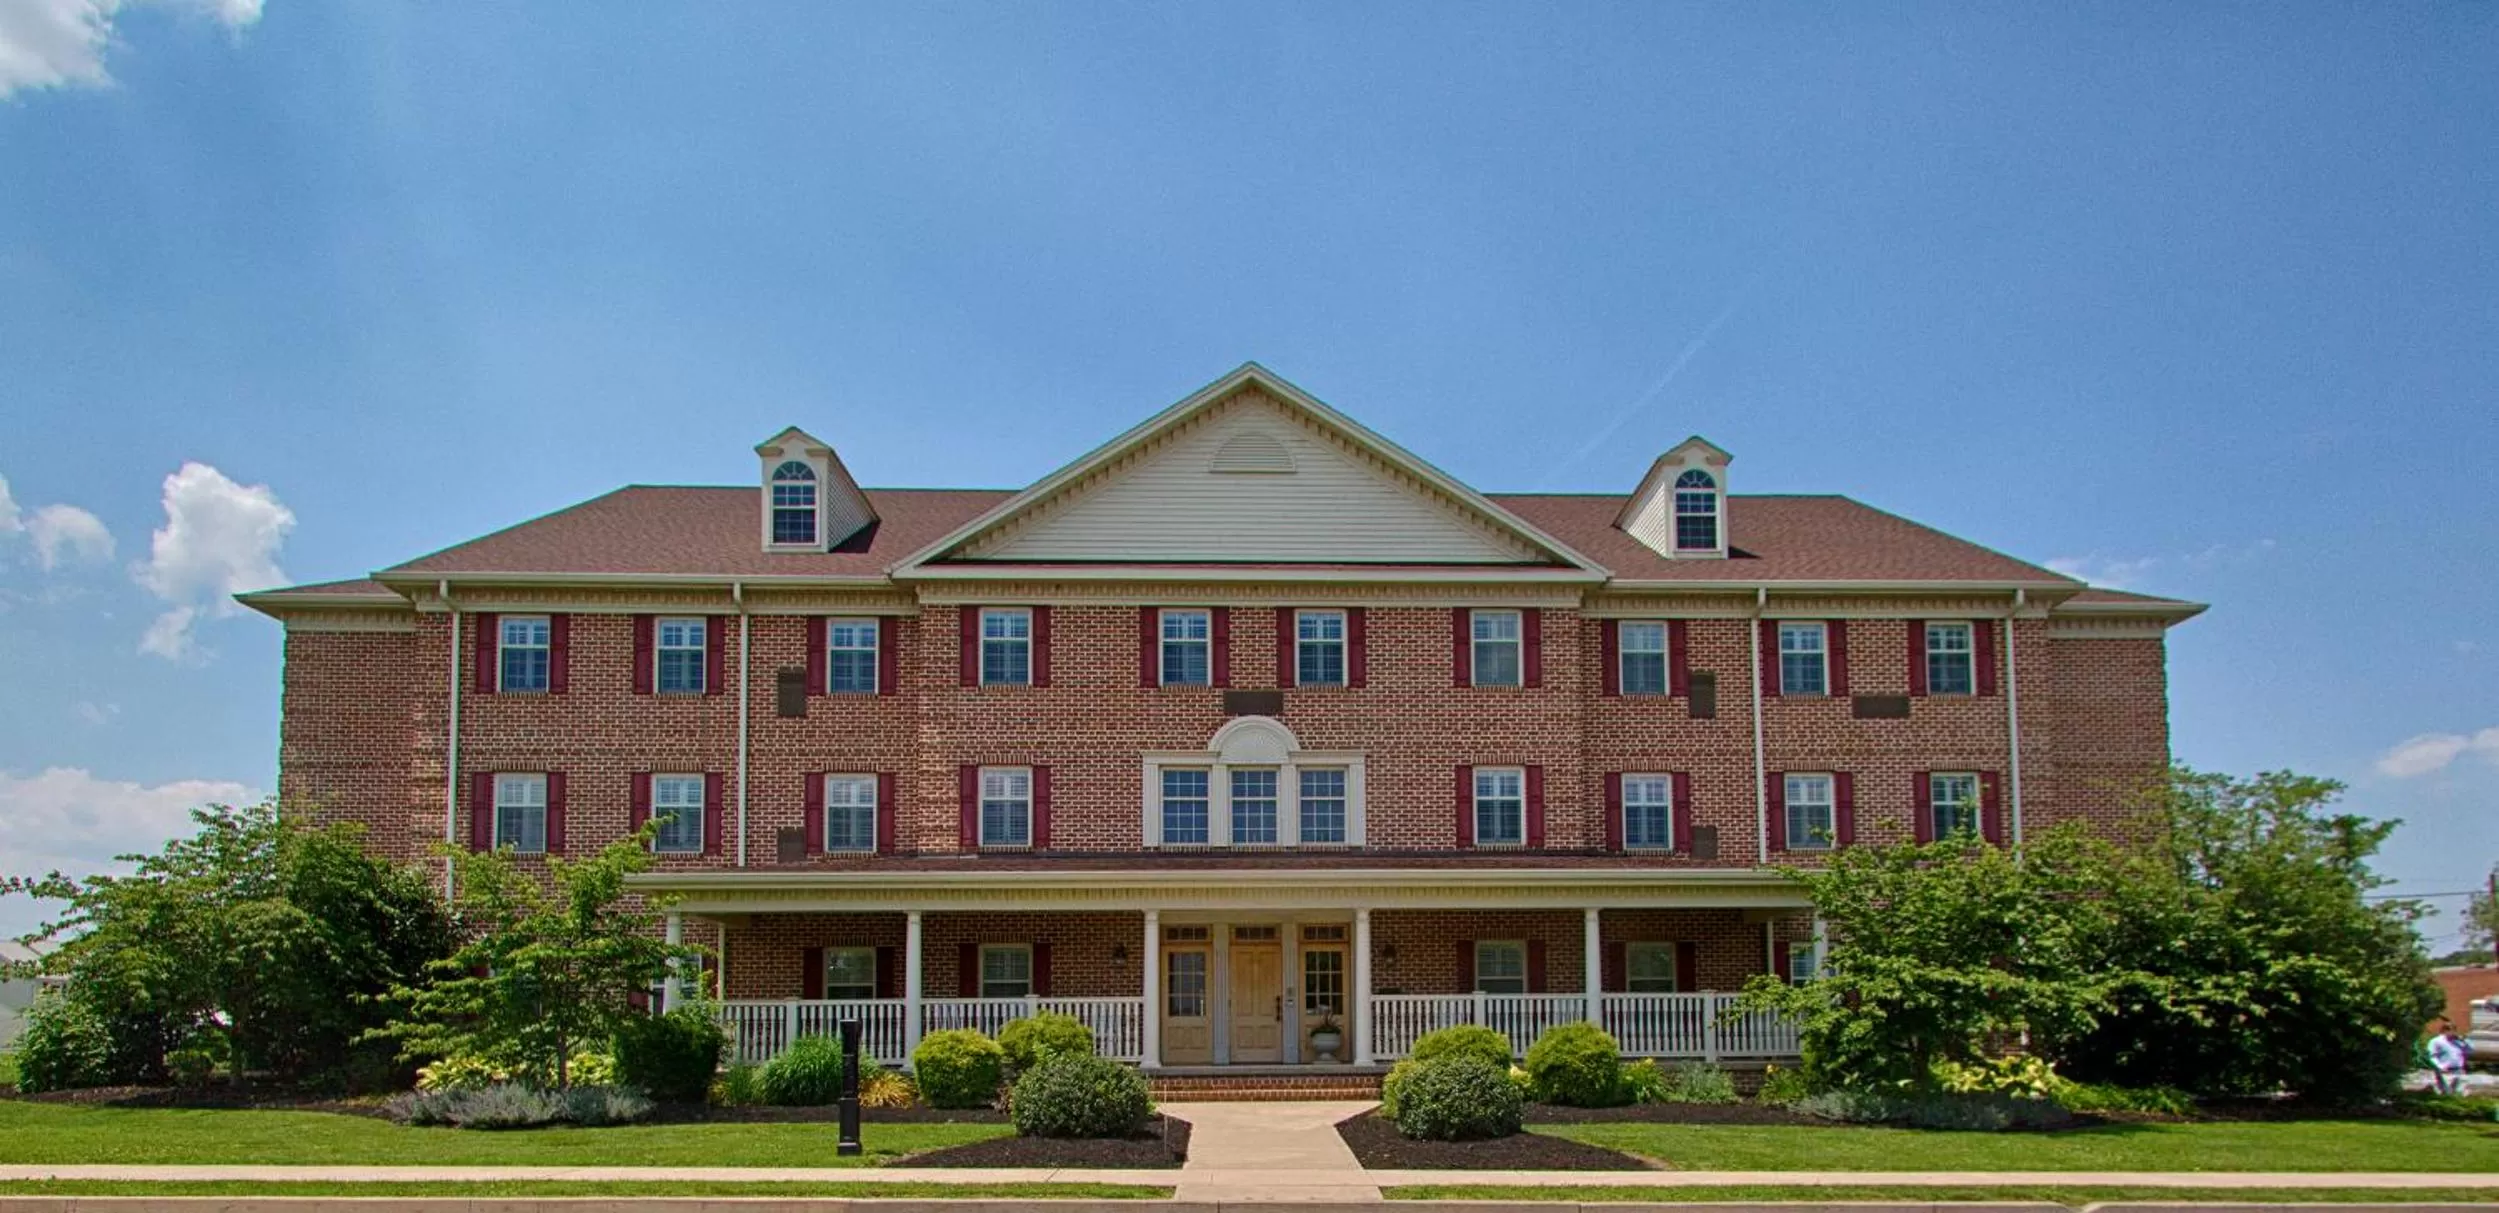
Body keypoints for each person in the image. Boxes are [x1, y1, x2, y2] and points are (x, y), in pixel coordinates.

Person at [2428, 1021, 2471, 1095]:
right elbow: (2432, 1056)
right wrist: (2440, 1066)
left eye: (2454, 1030)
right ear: (2444, 1030)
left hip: (2459, 1070)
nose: (2453, 1032)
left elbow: (2469, 1050)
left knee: (2459, 1092)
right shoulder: (2436, 1041)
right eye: (2450, 1030)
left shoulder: (2458, 1041)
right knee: (2446, 1092)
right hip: (2446, 1071)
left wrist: (2464, 1041)